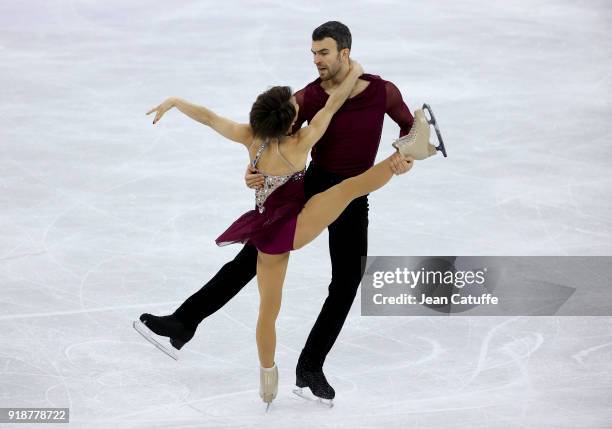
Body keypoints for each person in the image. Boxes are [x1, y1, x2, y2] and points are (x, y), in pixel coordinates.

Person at [135, 21, 438, 407]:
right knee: (250, 259)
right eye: (313, 53)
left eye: (323, 52)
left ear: (344, 53)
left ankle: (310, 368)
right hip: (313, 185)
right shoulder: (308, 97)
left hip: (352, 195)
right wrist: (255, 172)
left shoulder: (383, 92)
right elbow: (269, 138)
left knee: (346, 281)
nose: (316, 60)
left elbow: (411, 131)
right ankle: (183, 322)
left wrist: (407, 159)